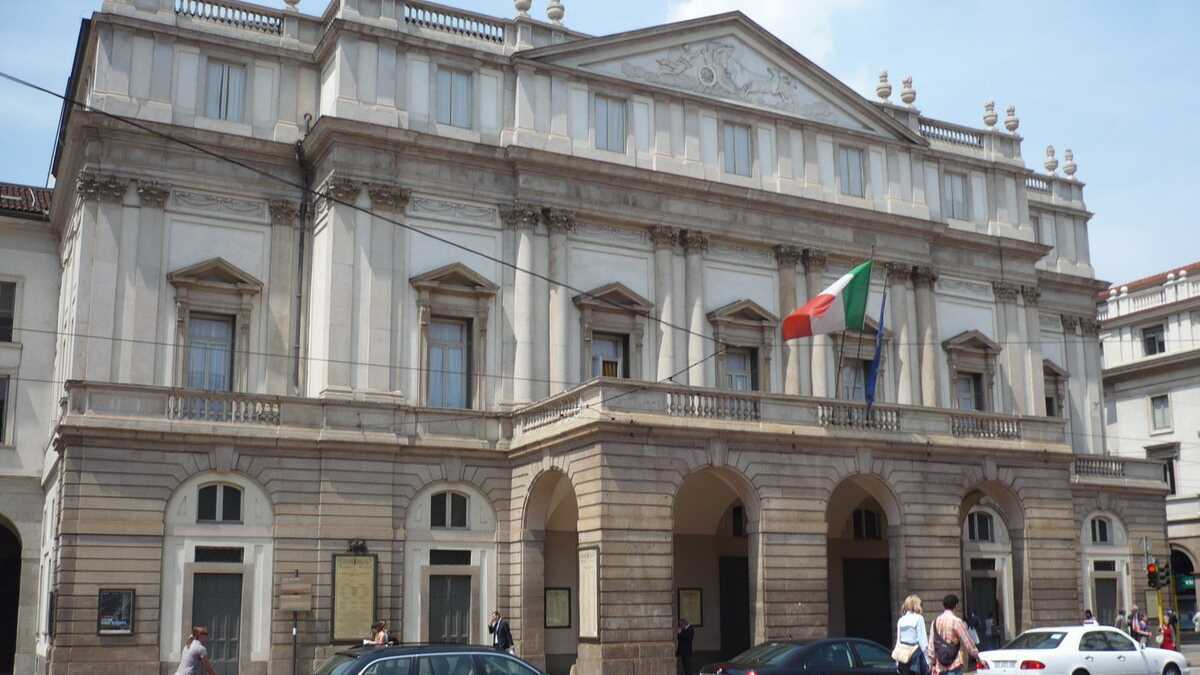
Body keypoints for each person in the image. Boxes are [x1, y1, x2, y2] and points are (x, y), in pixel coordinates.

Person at [928, 594, 978, 675]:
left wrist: (932, 662)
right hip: (954, 663)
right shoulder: (956, 621)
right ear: (956, 606)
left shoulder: (935, 621)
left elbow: (931, 643)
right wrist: (977, 657)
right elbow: (967, 642)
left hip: (940, 666)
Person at [896, 594, 929, 675]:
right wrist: (928, 661)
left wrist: (897, 662)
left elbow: (898, 642)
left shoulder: (901, 620)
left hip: (903, 655)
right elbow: (923, 642)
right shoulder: (919, 618)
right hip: (916, 655)